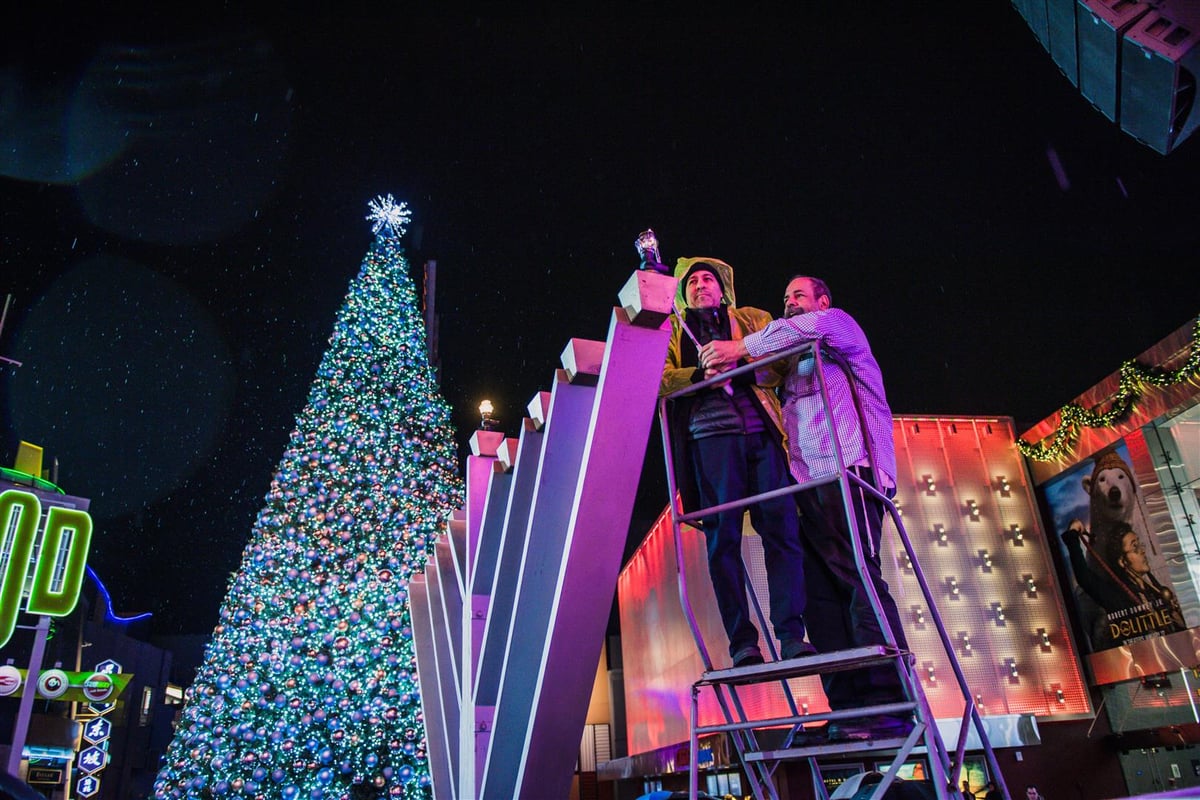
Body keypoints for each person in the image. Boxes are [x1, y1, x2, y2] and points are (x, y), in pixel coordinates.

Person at [699, 275, 909, 738]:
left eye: (797, 295)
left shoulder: (837, 327)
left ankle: (890, 701)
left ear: (822, 300)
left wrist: (736, 349)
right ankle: (847, 705)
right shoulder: (791, 364)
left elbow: (791, 333)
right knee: (818, 590)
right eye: (785, 297)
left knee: (855, 574)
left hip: (852, 469)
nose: (788, 303)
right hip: (808, 482)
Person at [660, 257, 816, 668]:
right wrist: (698, 373)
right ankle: (742, 643)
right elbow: (658, 379)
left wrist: (740, 363)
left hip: (762, 435)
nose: (699, 285)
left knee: (781, 529)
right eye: (691, 281)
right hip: (710, 440)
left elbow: (781, 363)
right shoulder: (674, 329)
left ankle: (791, 633)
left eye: (707, 278)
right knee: (722, 540)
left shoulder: (752, 319)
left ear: (722, 287)